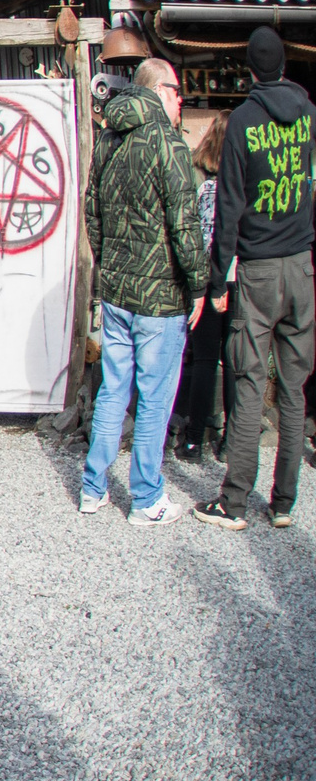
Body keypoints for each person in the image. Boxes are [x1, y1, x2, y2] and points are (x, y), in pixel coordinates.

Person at [78, 58, 208, 524]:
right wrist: (198, 285)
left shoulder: (110, 139)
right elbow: (185, 225)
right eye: (178, 94)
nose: (181, 104)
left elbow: (91, 212)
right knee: (154, 397)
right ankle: (147, 498)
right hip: (160, 298)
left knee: (114, 390)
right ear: (160, 90)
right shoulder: (168, 145)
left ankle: (93, 489)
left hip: (116, 292)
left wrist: (109, 265)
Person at [202, 26, 316, 528]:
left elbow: (228, 210)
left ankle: (235, 502)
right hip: (301, 265)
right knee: (294, 387)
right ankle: (286, 502)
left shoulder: (244, 121)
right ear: (285, 65)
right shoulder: (310, 115)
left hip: (259, 271)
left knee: (248, 381)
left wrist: (218, 281)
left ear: (249, 69)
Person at [177, 109, 231, 461]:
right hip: (238, 277)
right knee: (238, 361)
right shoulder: (239, 184)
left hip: (207, 277)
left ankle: (194, 438)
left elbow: (196, 236)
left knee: (204, 359)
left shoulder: (199, 178)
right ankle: (230, 441)